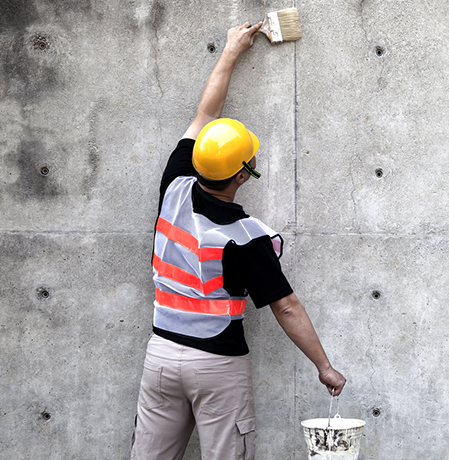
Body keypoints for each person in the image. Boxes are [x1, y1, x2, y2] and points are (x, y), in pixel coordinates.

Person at [130, 21, 346, 460]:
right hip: (217, 367)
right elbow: (285, 306)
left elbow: (204, 115)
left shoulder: (173, 184)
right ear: (245, 175)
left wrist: (231, 50)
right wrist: (324, 367)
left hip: (162, 357)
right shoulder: (247, 238)